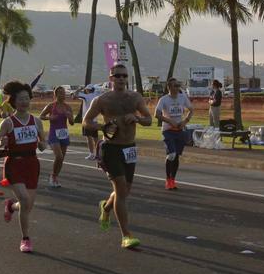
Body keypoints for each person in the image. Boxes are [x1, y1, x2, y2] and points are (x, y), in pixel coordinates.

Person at [84, 63, 152, 249]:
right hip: (111, 149)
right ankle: (126, 235)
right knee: (121, 189)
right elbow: (86, 121)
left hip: (129, 148)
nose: (121, 78)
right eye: (117, 75)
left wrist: (137, 118)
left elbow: (149, 119)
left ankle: (105, 207)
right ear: (111, 78)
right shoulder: (102, 100)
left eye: (124, 75)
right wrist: (102, 127)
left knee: (124, 191)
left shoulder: (135, 98)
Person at [0, 80, 47, 253]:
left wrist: (42, 145)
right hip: (14, 164)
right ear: (14, 102)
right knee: (25, 201)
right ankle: (26, 239)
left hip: (32, 164)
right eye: (21, 99)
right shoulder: (8, 123)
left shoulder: (36, 121)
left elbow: (43, 141)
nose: (24, 102)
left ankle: (11, 206)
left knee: (27, 206)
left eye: (27, 98)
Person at [154, 77, 193, 190]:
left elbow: (191, 109)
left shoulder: (182, 97)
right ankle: (167, 179)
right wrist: (169, 121)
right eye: (175, 86)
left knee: (176, 157)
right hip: (168, 131)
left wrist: (185, 121)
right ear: (169, 87)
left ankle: (173, 180)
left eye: (178, 85)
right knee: (171, 155)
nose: (177, 88)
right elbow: (156, 114)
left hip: (179, 131)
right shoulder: (164, 99)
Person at [40, 86, 73, 188]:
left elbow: (72, 123)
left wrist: (69, 117)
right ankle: (53, 176)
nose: (62, 95)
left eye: (63, 93)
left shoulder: (68, 107)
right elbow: (41, 116)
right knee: (58, 156)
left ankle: (55, 176)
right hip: (54, 133)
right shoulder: (51, 106)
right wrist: (50, 117)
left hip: (64, 133)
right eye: (60, 93)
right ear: (55, 95)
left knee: (61, 158)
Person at [74, 85, 102, 160]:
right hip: (95, 120)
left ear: (88, 90)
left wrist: (79, 89)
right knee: (95, 138)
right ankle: (98, 153)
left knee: (88, 137)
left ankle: (92, 153)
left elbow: (75, 95)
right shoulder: (96, 96)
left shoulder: (86, 96)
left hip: (86, 120)